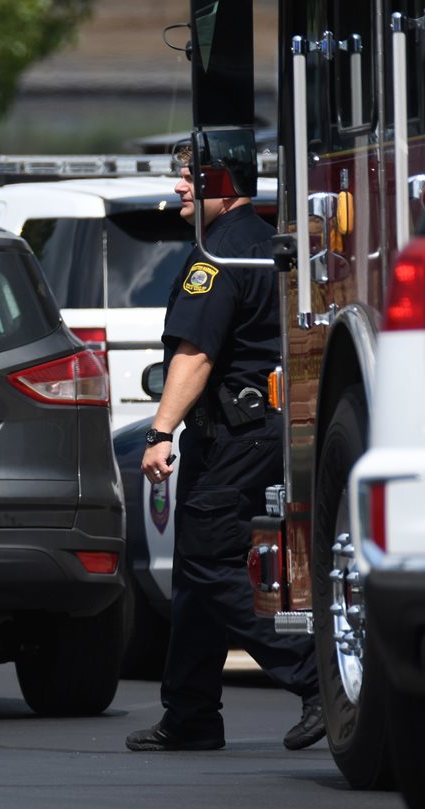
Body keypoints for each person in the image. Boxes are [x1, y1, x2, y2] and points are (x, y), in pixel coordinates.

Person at [125, 143, 324, 752]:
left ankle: (318, 680)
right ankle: (190, 714)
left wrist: (159, 432)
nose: (182, 186)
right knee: (194, 573)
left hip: (236, 438)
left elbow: (197, 352)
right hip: (252, 433)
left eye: (192, 176)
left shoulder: (217, 254)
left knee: (214, 567)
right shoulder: (258, 238)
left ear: (225, 179)